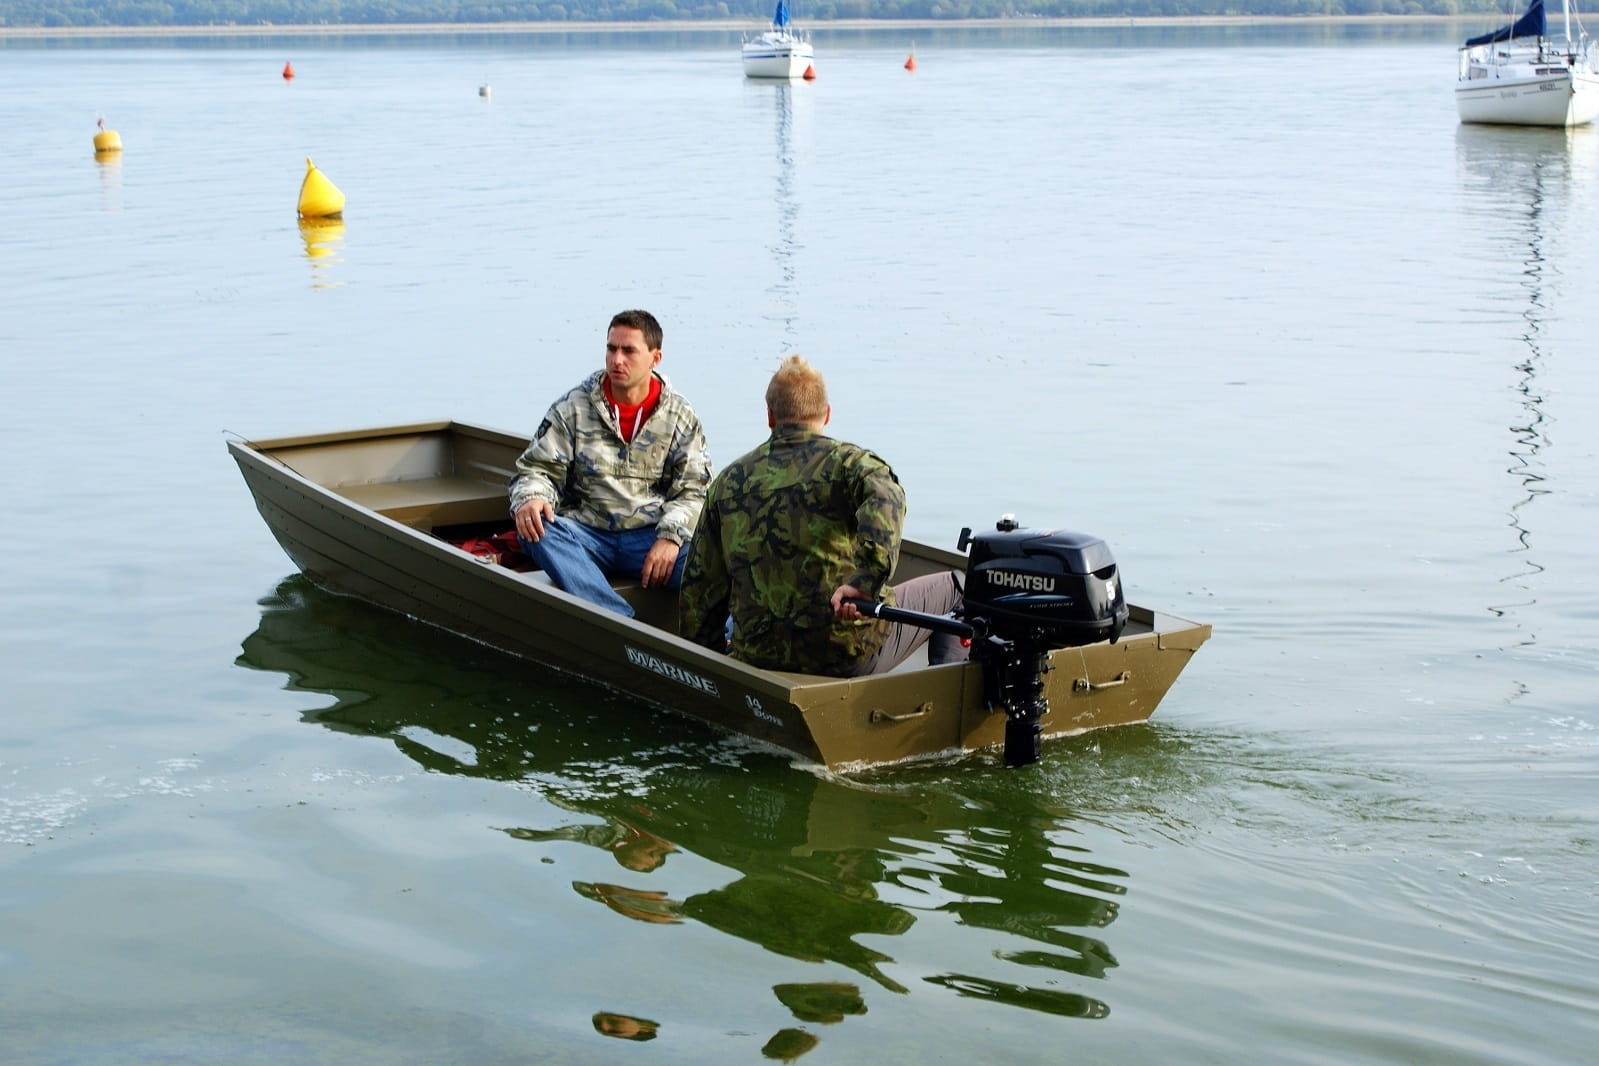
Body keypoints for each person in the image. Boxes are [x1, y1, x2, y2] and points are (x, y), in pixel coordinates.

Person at [680, 354, 967, 676]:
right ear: (827, 413)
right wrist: (866, 580)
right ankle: (948, 692)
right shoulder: (850, 464)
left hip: (757, 656)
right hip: (845, 654)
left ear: (770, 416)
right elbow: (887, 497)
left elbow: (700, 589)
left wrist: (710, 667)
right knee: (959, 585)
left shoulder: (728, 483)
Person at [508, 310, 711, 617]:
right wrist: (533, 496)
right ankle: (619, 621)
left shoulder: (680, 415)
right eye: (611, 348)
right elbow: (536, 469)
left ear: (655, 358)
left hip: (650, 536)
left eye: (629, 351)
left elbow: (694, 490)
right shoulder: (573, 407)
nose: (617, 360)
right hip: (586, 533)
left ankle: (730, 637)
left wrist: (671, 537)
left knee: (715, 558)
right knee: (536, 530)